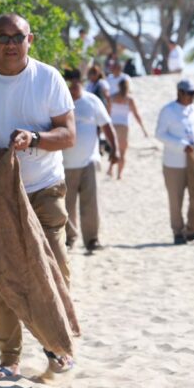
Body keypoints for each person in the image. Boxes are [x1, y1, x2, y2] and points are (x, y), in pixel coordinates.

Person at [0, 13, 76, 380]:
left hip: (45, 186)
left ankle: (58, 350)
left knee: (53, 267)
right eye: (2, 37)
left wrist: (34, 139)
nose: (10, 44)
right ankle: (9, 360)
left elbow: (68, 135)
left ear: (30, 40)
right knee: (5, 275)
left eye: (17, 37)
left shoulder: (48, 77)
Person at [62, 69, 117, 252]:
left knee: (90, 203)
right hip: (64, 163)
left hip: (89, 161)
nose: (75, 84)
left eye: (78, 80)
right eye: (70, 81)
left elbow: (106, 125)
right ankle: (69, 239)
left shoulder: (92, 101)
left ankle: (92, 240)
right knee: (66, 204)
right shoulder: (58, 101)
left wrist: (114, 149)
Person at [155, 79, 194, 244]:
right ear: (180, 93)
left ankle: (191, 229)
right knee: (176, 199)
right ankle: (178, 231)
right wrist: (182, 145)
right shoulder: (168, 111)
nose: (192, 97)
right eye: (190, 94)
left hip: (193, 161)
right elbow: (160, 134)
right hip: (174, 163)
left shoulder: (193, 110)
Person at [107, 77, 148, 180]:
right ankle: (119, 174)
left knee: (113, 149)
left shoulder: (112, 98)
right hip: (124, 127)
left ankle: (111, 168)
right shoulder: (129, 100)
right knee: (122, 152)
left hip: (113, 126)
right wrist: (143, 129)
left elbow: (107, 114)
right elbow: (136, 115)